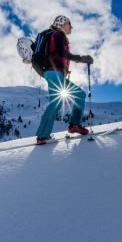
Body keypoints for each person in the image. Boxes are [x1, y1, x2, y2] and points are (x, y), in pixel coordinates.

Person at [35, 15, 93, 145]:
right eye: (69, 24)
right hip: (54, 73)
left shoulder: (52, 36)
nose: (71, 27)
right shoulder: (58, 34)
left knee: (74, 96)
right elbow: (61, 53)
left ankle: (73, 125)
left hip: (52, 73)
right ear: (61, 23)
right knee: (59, 101)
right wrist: (81, 58)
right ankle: (43, 135)